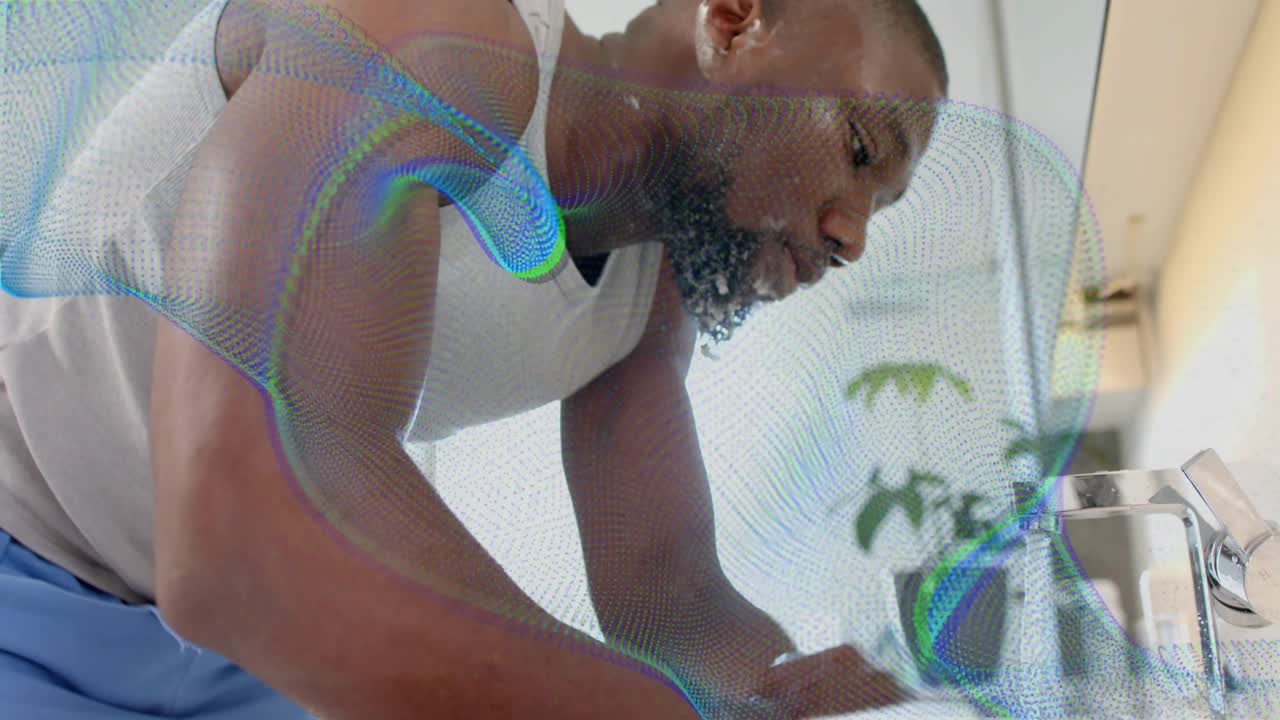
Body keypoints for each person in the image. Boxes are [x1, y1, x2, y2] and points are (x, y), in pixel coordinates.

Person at [0, 0, 947, 717]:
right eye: (860, 149)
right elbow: (247, 526)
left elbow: (670, 596)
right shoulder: (437, 34)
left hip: (219, 659)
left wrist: (773, 694)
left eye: (884, 206)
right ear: (734, 21)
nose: (853, 239)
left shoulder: (648, 299)